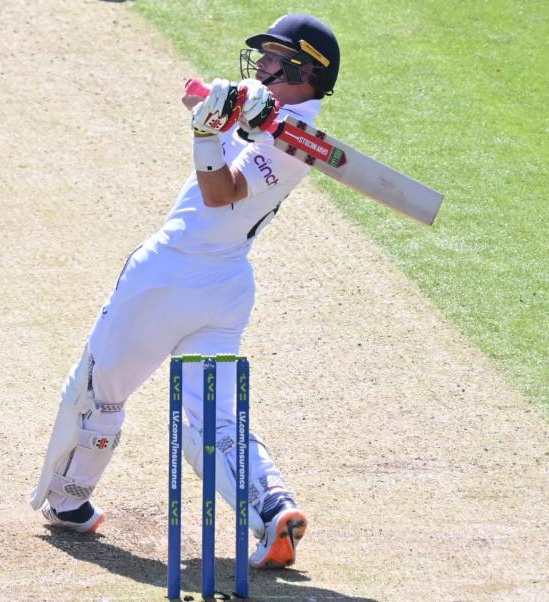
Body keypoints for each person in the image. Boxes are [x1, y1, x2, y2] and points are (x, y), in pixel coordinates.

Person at [31, 13, 341, 570]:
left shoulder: (296, 143)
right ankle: (273, 512)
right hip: (225, 288)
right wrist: (223, 107)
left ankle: (67, 501)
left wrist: (205, 134)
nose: (262, 66)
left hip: (168, 276)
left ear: (304, 69)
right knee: (215, 418)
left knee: (98, 394)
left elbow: (221, 193)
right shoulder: (281, 122)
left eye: (274, 58)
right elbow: (242, 110)